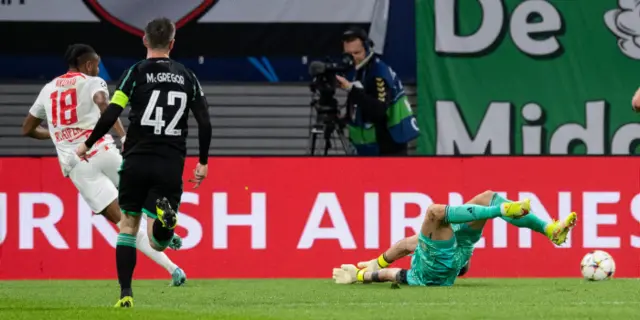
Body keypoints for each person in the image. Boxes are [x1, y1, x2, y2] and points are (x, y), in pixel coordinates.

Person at [21, 44, 187, 287]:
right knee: (143, 194)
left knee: (125, 225)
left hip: (78, 164)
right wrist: (122, 135)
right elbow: (103, 104)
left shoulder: (47, 90)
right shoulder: (92, 81)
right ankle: (164, 228)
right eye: (97, 65)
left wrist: (57, 134)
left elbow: (27, 128)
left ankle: (173, 268)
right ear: (88, 65)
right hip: (104, 150)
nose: (98, 69)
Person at [76, 18, 212, 308]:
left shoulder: (135, 73)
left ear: (144, 41)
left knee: (127, 226)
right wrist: (202, 161)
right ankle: (167, 221)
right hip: (170, 161)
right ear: (172, 44)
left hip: (136, 159)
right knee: (157, 241)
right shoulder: (188, 76)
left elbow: (112, 113)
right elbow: (204, 121)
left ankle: (126, 293)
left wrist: (88, 143)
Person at [332, 191, 578, 286]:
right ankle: (500, 211)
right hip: (443, 266)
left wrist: (372, 266)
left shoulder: (422, 250)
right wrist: (363, 275)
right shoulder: (421, 274)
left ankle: (550, 230)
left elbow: (400, 250)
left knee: (488, 196)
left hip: (459, 253)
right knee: (435, 212)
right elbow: (390, 274)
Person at [335, 27, 419, 156]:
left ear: (368, 48)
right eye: (348, 54)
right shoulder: (361, 68)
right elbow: (362, 101)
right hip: (372, 146)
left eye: (357, 53)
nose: (353, 58)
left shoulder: (378, 72)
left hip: (389, 147)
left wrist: (350, 89)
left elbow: (378, 110)